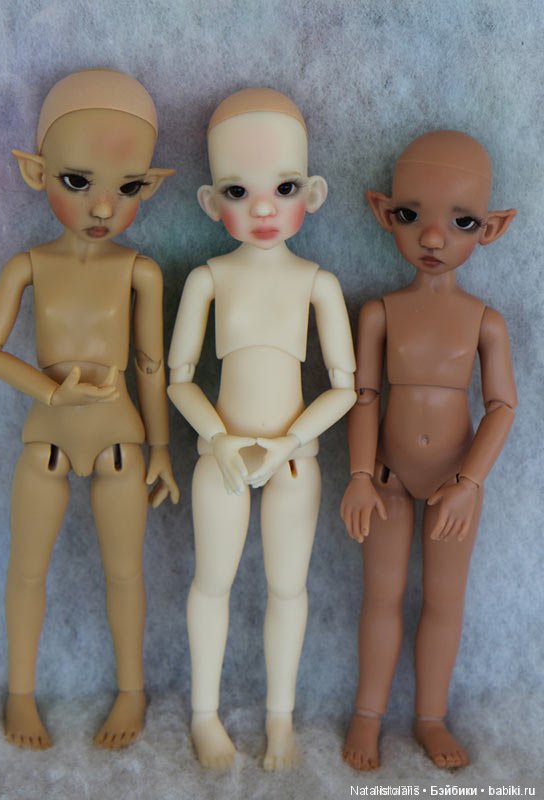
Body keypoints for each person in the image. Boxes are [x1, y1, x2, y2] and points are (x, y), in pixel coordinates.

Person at [0, 69, 179, 750]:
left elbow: (150, 366)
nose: (103, 207)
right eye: (77, 181)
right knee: (27, 569)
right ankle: (20, 694)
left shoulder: (140, 270)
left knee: (126, 572)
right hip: (48, 442)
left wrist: (161, 449)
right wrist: (51, 392)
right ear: (37, 173)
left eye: (127, 188)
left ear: (148, 186)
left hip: (121, 445)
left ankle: (132, 690)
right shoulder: (26, 265)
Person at [168, 88, 356, 770]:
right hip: (221, 458)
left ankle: (282, 721)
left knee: (288, 588)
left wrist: (288, 443)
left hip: (294, 462)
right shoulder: (209, 279)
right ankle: (205, 716)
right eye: (238, 191)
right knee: (210, 583)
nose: (265, 209)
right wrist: (220, 439)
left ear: (314, 192)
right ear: (210, 202)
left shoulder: (317, 283)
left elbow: (345, 388)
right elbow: (179, 378)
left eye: (284, 188)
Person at [340, 130, 517, 770]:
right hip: (387, 479)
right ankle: (367, 714)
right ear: (384, 211)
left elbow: (503, 406)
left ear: (491, 228)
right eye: (412, 216)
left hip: (452, 483)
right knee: (381, 597)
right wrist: (360, 474)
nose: (434, 238)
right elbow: (364, 396)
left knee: (444, 601)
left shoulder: (485, 320)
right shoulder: (380, 312)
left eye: (462, 221)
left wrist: (468, 483)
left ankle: (430, 716)